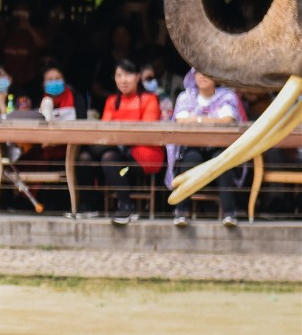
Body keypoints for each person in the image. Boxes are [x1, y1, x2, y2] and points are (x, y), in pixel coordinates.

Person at [167, 69, 246, 227]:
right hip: (192, 146)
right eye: (199, 73)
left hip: (219, 146)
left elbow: (228, 121)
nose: (203, 76)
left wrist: (198, 119)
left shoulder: (227, 96)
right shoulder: (185, 97)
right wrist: (212, 119)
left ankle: (229, 213)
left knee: (223, 163)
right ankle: (181, 211)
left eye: (207, 72)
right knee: (190, 160)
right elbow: (181, 121)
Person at [92, 59, 163, 225]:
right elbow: (105, 131)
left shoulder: (149, 99)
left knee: (110, 160)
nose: (123, 80)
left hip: (143, 157)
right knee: (88, 157)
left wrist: (119, 137)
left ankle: (126, 205)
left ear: (138, 77)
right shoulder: (112, 101)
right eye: (119, 75)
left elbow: (146, 132)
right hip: (120, 155)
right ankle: (88, 206)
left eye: (128, 74)